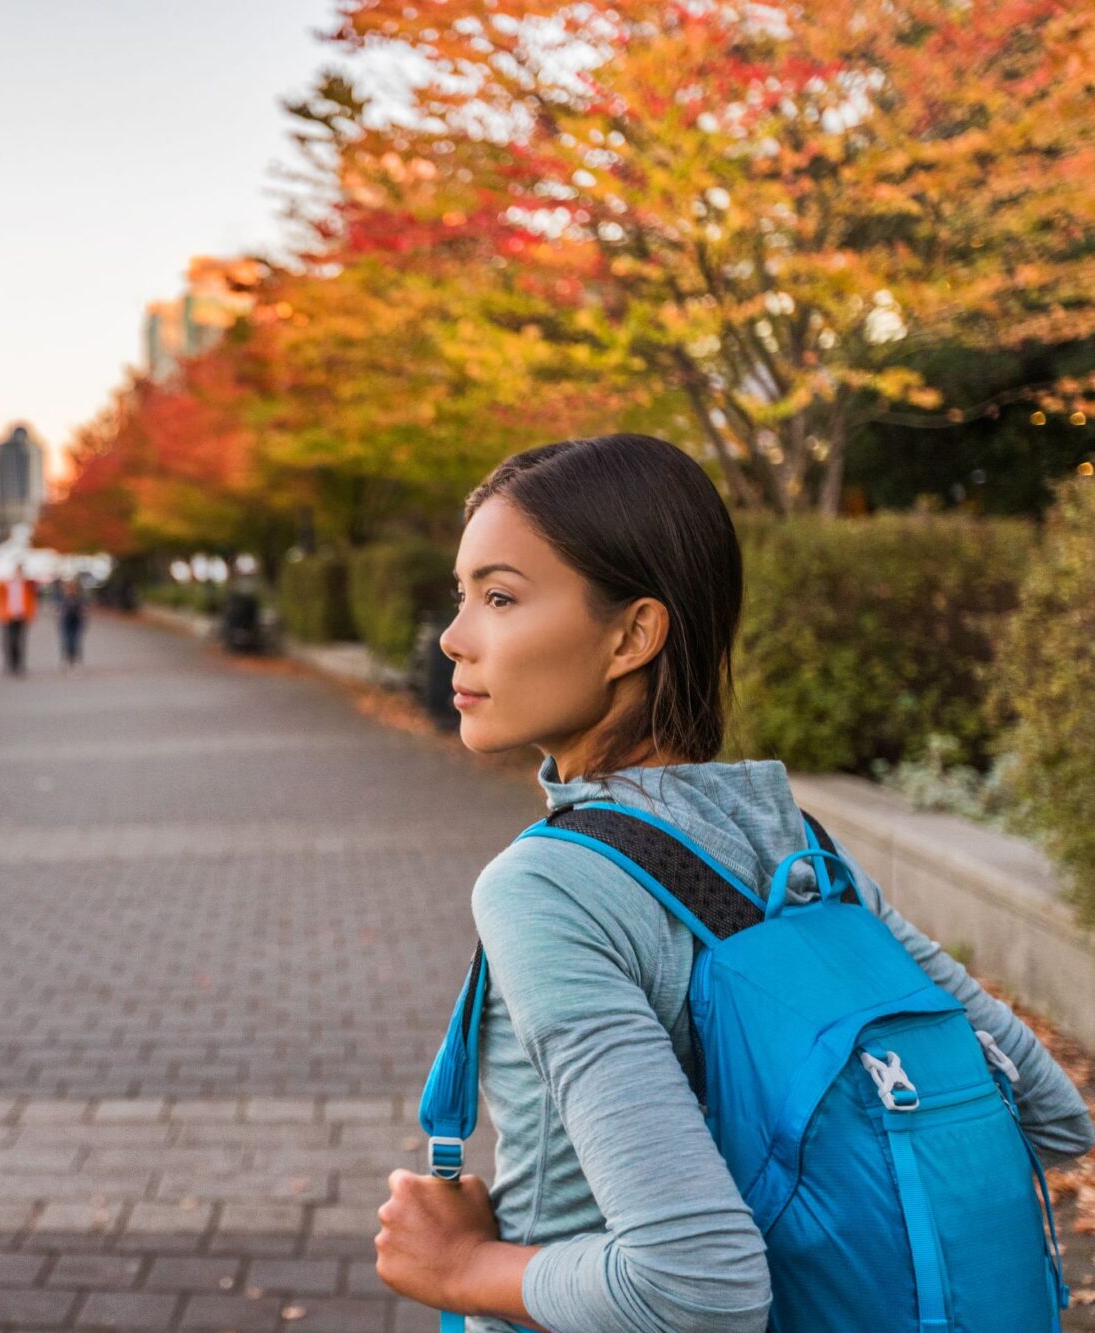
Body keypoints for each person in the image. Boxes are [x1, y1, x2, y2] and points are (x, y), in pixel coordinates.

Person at [373, 434, 1093, 1332]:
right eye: (463, 596)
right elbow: (1051, 1111)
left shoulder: (549, 885)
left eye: (501, 596)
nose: (453, 637)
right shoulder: (800, 851)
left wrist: (464, 1265)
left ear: (633, 634)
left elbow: (697, 1283)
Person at [0, 562, 40, 676]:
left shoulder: (27, 584)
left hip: (22, 615)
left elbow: (35, 591)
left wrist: (32, 614)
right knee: (9, 640)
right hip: (7, 615)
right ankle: (10, 663)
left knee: (20, 640)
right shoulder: (4, 583)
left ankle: (19, 664)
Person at [56, 574, 88, 668]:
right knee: (67, 640)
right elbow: (58, 609)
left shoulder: (79, 597)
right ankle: (67, 659)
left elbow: (84, 609)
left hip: (76, 620)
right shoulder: (62, 597)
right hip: (66, 620)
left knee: (75, 641)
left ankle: (74, 660)